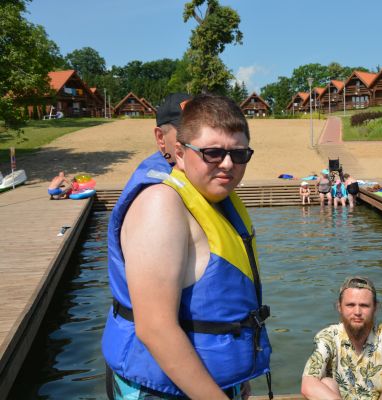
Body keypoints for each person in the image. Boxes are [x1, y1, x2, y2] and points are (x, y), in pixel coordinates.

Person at [102, 94, 272, 400]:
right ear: (179, 153)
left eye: (239, 154)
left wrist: (235, 377)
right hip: (159, 390)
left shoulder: (214, 198)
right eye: (212, 153)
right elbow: (155, 329)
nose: (228, 164)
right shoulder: (161, 205)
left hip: (212, 383)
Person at [301, 276, 382, 400]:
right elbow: (308, 384)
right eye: (350, 305)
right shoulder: (328, 337)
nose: (357, 312)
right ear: (339, 307)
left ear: (375, 308)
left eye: (364, 305)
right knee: (326, 383)